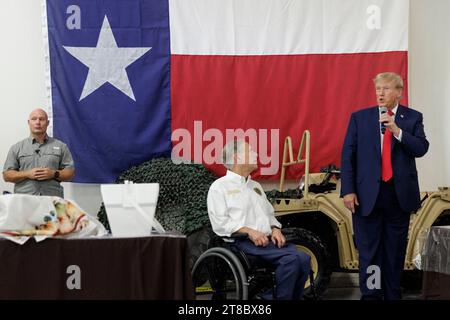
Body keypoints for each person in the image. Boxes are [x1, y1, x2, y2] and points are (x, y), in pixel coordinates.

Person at [340, 72, 429, 300]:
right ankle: (371, 295)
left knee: (394, 252)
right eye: (378, 88)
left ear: (399, 92)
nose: (380, 93)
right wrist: (348, 190)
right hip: (366, 196)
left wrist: (396, 131)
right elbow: (348, 155)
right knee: (370, 253)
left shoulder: (412, 118)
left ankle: (392, 295)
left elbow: (420, 148)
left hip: (398, 197)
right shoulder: (360, 118)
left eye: (386, 88)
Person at [207, 140, 311, 300]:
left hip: (265, 242)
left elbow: (268, 214)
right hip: (241, 244)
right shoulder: (219, 187)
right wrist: (248, 231)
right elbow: (220, 223)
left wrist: (275, 228)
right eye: (251, 151)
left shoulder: (255, 186)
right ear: (237, 157)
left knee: (304, 258)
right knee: (291, 260)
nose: (256, 154)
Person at [3, 108, 75, 198]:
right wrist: (27, 174)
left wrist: (53, 173)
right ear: (29, 122)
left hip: (53, 200)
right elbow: (6, 175)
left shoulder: (61, 146)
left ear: (47, 123)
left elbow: (70, 173)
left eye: (41, 119)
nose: (38, 122)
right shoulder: (17, 148)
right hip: (24, 200)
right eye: (34, 119)